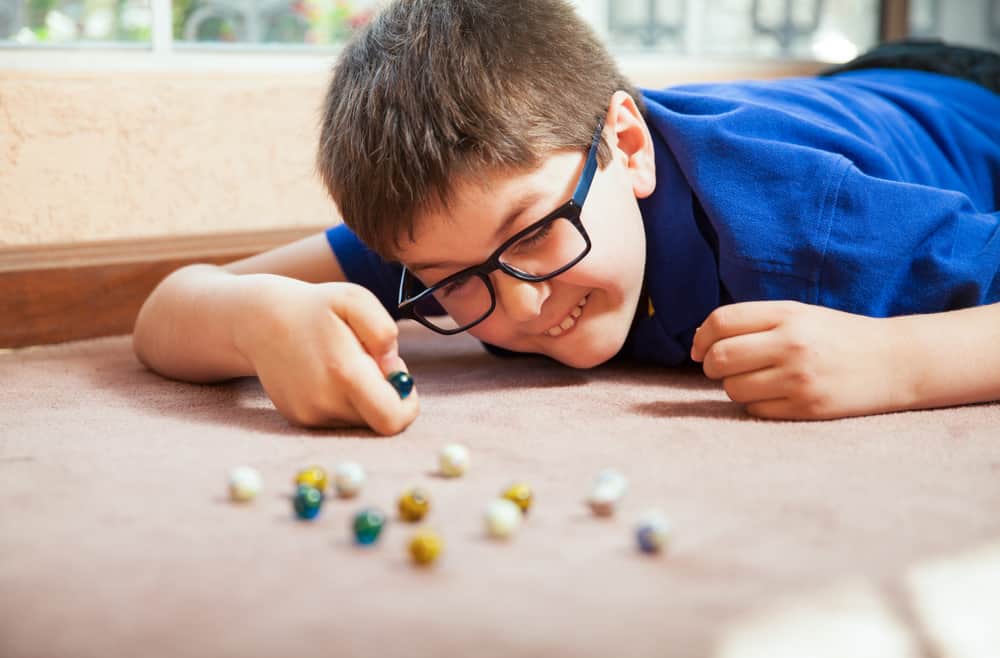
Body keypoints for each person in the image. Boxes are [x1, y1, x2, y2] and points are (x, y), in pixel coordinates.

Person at [132, 0, 1000, 435]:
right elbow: (166, 312)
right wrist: (258, 321)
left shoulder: (811, 227)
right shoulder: (455, 230)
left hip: (967, 95)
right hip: (847, 96)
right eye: (454, 284)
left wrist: (898, 361)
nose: (515, 309)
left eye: (534, 232)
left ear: (627, 145)